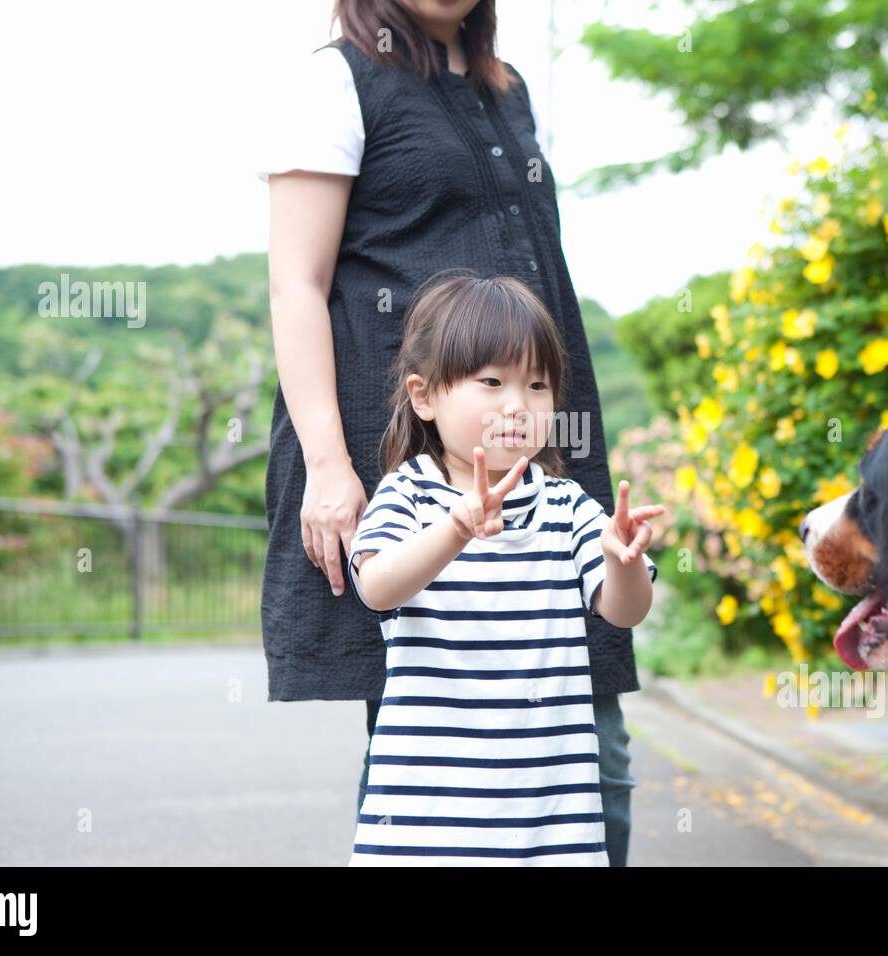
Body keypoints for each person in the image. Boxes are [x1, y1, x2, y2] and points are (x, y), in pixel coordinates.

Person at [258, 0, 649, 865]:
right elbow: (297, 285)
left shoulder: (506, 89)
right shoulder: (337, 79)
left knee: (592, 730)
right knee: (424, 723)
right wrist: (328, 463)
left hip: (537, 439)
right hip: (405, 445)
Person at [344, 272, 662, 865]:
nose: (517, 405)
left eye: (537, 385)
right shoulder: (409, 494)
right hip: (424, 816)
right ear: (424, 396)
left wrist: (624, 560)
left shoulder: (565, 504)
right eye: (491, 381)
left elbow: (625, 611)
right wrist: (456, 528)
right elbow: (378, 586)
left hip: (549, 820)